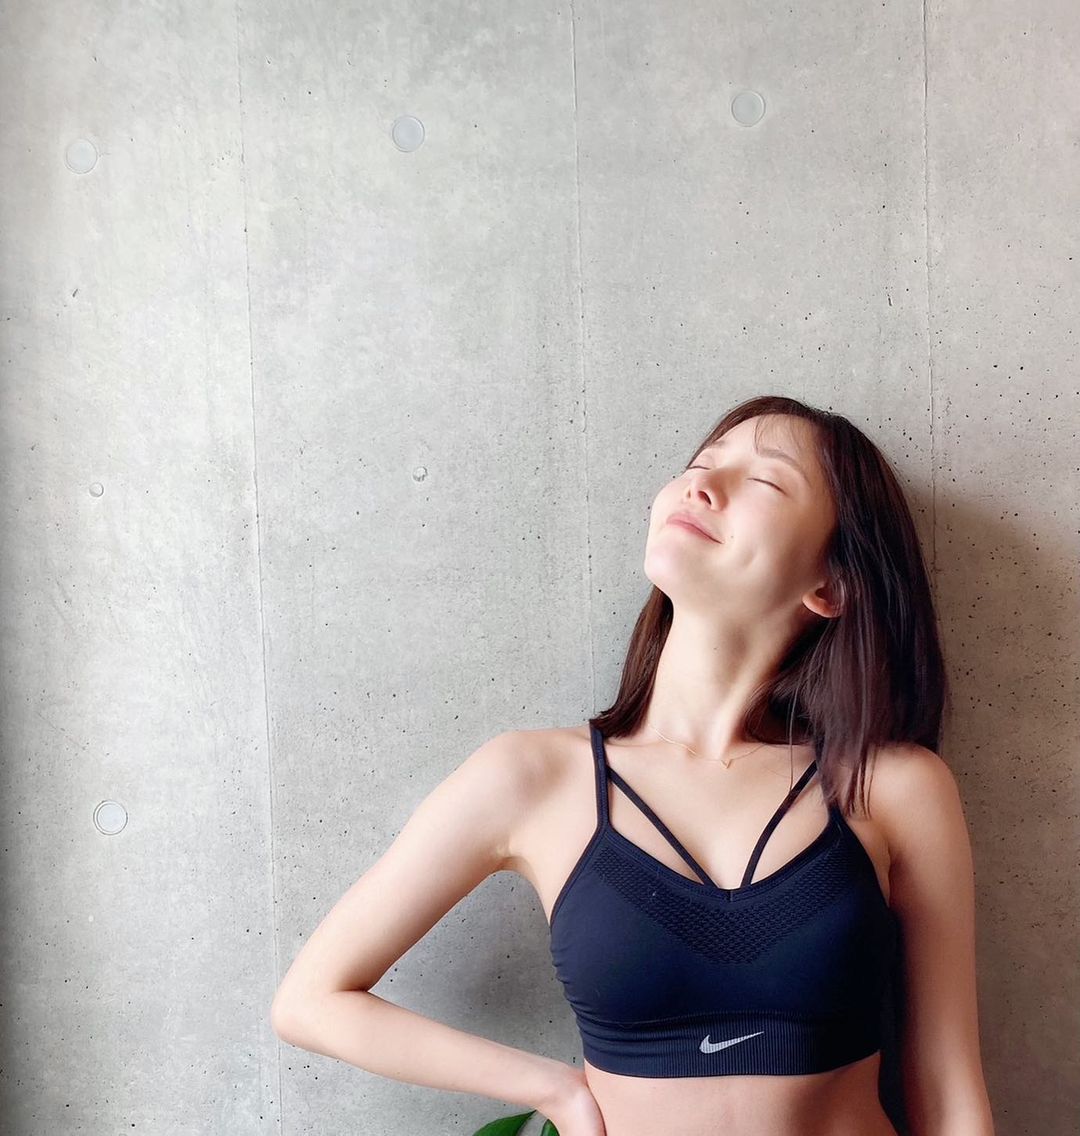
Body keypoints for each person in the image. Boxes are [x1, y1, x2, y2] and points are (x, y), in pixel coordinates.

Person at [270, 394, 996, 1136]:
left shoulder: (892, 788)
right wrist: (554, 1090)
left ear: (831, 585)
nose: (701, 485)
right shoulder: (534, 778)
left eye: (765, 480)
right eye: (700, 464)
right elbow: (310, 1000)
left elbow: (949, 1092)